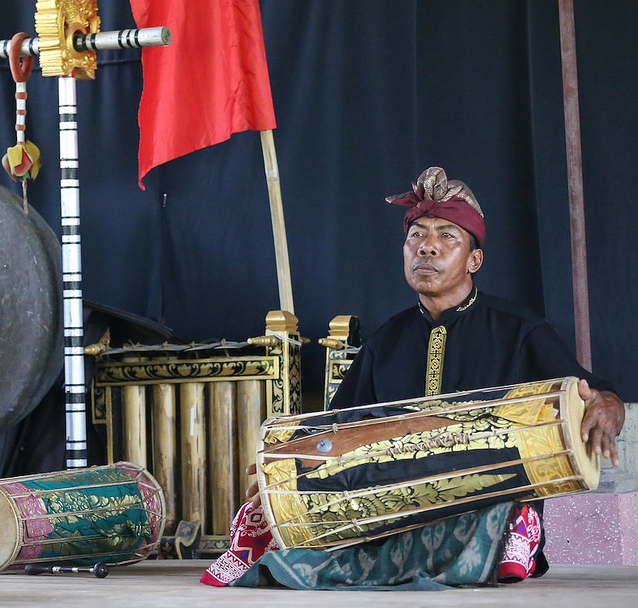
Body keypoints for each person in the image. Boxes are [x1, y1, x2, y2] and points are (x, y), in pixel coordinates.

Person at [202, 166, 625, 589]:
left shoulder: (519, 329)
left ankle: (518, 527)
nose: (427, 248)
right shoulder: (386, 341)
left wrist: (608, 403)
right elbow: (335, 430)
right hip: (394, 514)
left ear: (474, 259)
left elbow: (592, 391)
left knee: (493, 503)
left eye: (446, 236)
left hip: (486, 504)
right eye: (416, 236)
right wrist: (285, 475)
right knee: (302, 544)